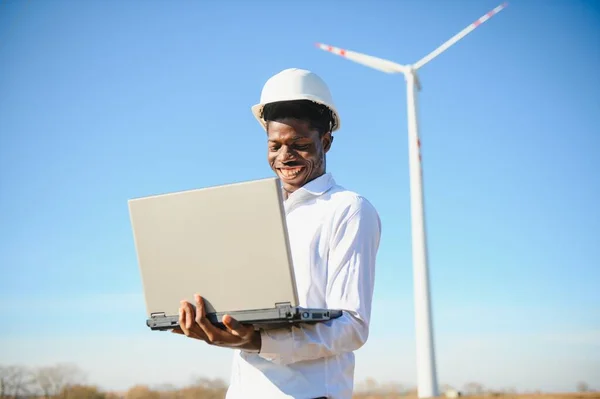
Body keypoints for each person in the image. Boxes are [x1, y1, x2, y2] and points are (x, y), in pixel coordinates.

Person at [173, 68, 382, 399]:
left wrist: (257, 341)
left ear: (325, 141)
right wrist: (210, 319)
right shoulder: (255, 213)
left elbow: (352, 328)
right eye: (275, 145)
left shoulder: (348, 209)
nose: (285, 157)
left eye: (299, 144)